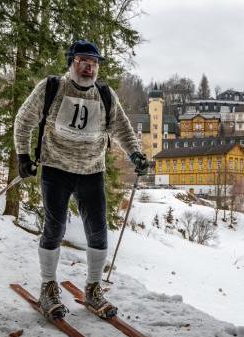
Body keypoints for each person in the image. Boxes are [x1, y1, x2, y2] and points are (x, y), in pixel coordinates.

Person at [14, 40, 148, 320]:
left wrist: (135, 154)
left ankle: (93, 289)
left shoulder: (105, 95)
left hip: (91, 171)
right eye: (82, 62)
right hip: (56, 168)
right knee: (55, 228)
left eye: (93, 63)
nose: (88, 68)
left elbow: (122, 127)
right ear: (71, 62)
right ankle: (48, 285)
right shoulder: (52, 88)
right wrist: (23, 156)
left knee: (98, 231)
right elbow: (24, 119)